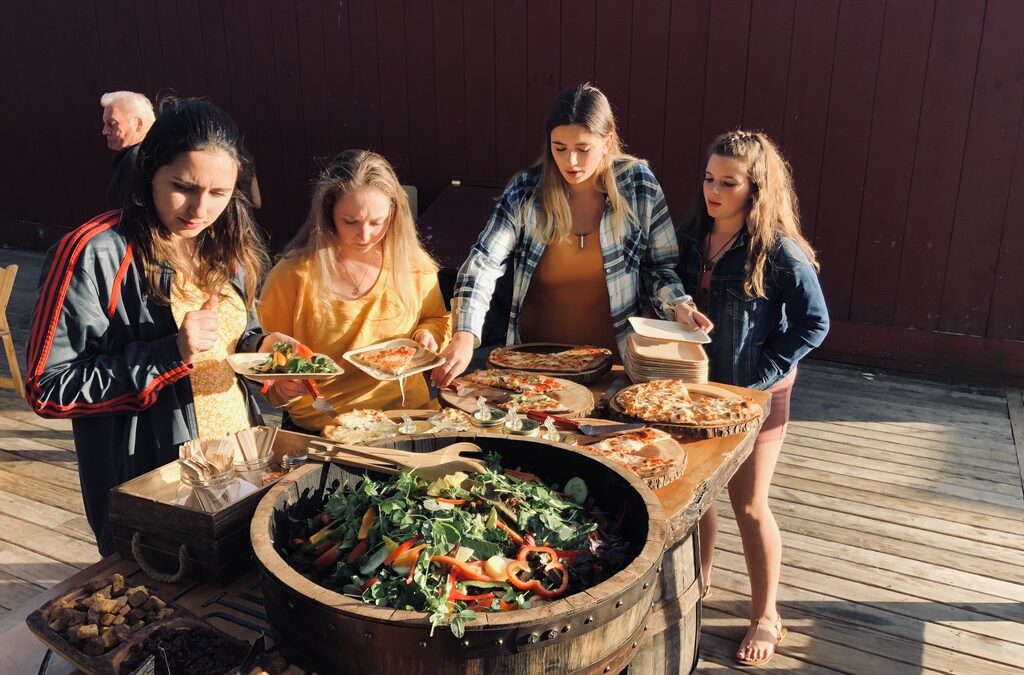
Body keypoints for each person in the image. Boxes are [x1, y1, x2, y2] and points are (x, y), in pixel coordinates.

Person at [27, 98, 296, 554]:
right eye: (183, 187)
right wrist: (169, 353)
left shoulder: (228, 243)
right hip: (157, 485)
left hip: (241, 464)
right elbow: (46, 388)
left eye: (219, 193)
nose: (200, 209)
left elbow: (232, 336)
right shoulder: (93, 253)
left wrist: (265, 347)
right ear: (149, 170)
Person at [432, 83, 710, 387]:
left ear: (607, 141)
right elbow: (484, 262)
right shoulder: (526, 191)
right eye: (559, 148)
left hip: (614, 366)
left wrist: (679, 305)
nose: (570, 162)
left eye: (582, 149)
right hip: (530, 364)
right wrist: (464, 334)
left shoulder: (639, 186)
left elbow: (660, 268)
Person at [677, 130, 829, 666]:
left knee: (748, 503)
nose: (713, 191)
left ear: (756, 187)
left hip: (755, 399)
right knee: (701, 496)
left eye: (728, 183)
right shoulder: (694, 235)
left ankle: (767, 615)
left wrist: (760, 376)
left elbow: (815, 324)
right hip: (696, 394)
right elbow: (670, 288)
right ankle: (703, 581)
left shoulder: (779, 252)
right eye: (708, 179)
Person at [258, 149, 450, 432]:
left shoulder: (412, 265)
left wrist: (428, 336)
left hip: (408, 419)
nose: (365, 235)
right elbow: (266, 364)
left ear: (395, 215)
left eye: (377, 222)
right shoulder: (292, 275)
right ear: (328, 214)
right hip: (326, 425)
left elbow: (438, 320)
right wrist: (283, 387)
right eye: (351, 222)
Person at [100, 90, 156, 209]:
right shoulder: (153, 152)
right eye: (105, 124)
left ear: (138, 124)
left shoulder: (138, 159)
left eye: (112, 123)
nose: (104, 131)